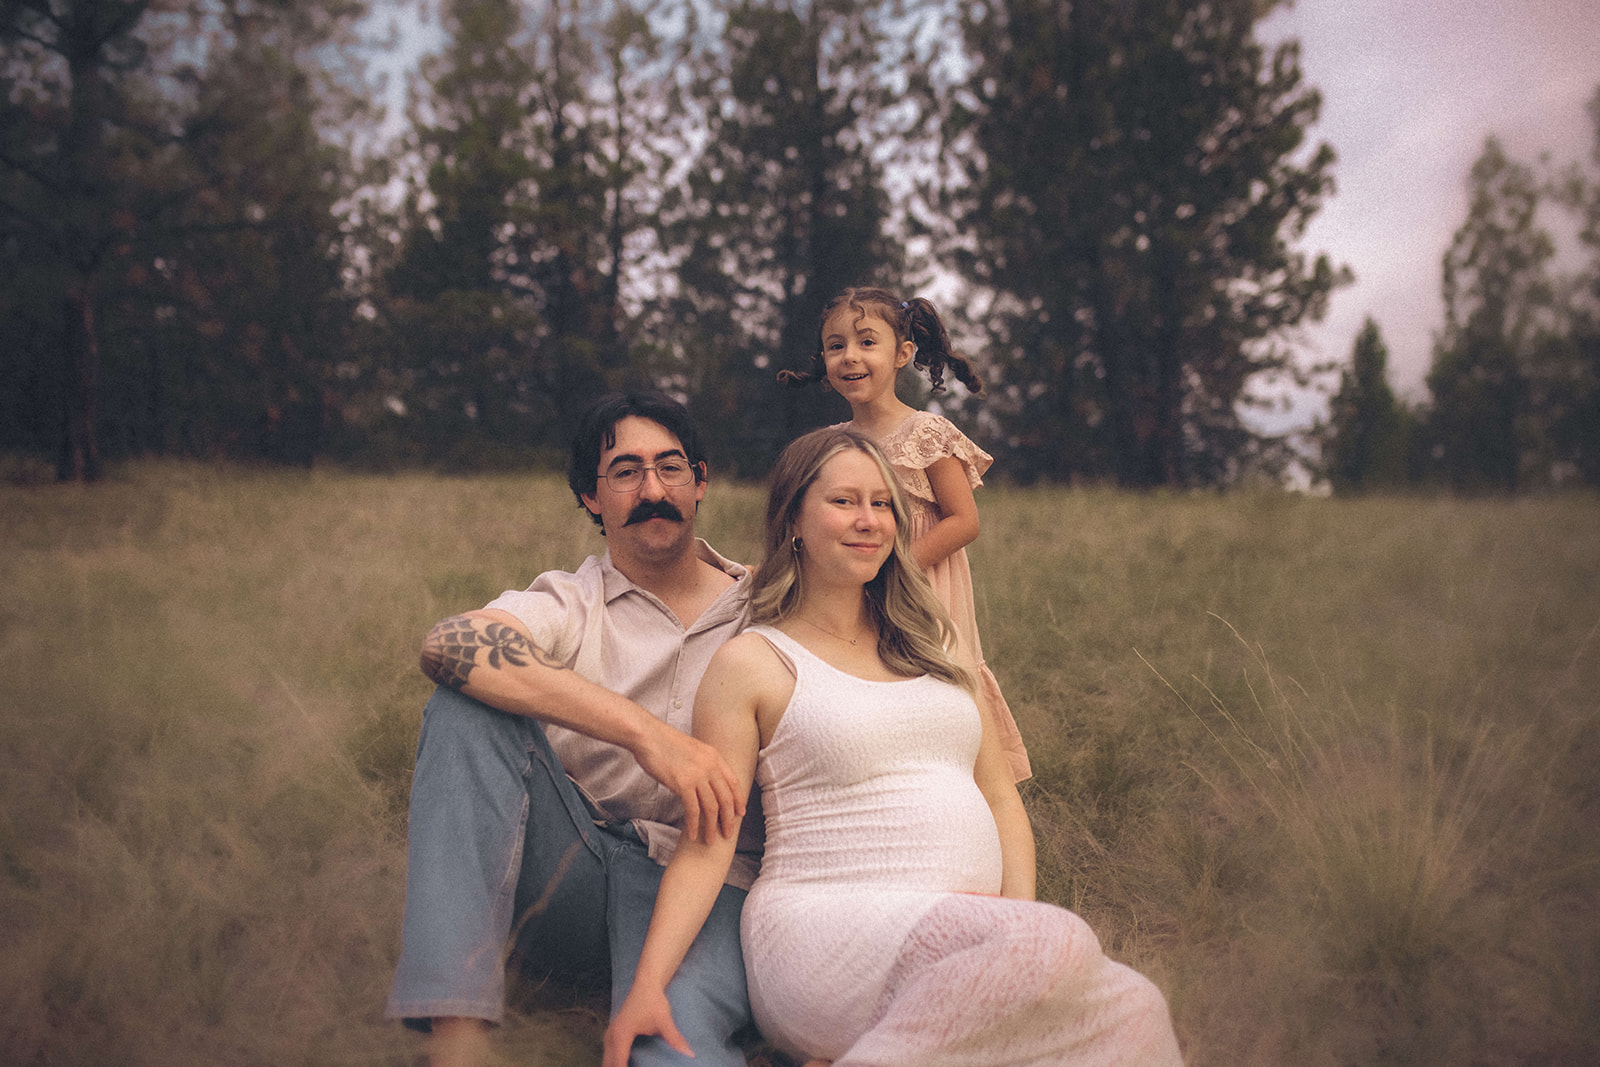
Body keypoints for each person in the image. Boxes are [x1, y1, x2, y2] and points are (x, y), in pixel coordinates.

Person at [603, 427, 1183, 1066]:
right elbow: (708, 841)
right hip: (822, 930)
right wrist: (648, 985)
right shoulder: (753, 662)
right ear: (794, 518)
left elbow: (997, 795)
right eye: (845, 502)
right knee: (1061, 940)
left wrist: (1014, 935)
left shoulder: (939, 643)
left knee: (1137, 1010)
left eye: (883, 504)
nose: (869, 521)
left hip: (961, 940)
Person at [385, 391, 762, 1067]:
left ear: (700, 481)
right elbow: (450, 643)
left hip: (707, 878)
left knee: (673, 1054)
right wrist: (648, 734)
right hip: (572, 870)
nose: (652, 488)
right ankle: (458, 1038)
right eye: (625, 471)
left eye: (670, 467)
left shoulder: (767, 603)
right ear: (591, 496)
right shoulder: (571, 598)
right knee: (464, 704)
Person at [779, 286, 1031, 783]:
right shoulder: (834, 444)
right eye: (835, 346)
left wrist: (895, 567)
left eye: (866, 342)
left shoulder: (926, 433)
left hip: (921, 592)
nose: (850, 356)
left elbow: (964, 521)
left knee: (936, 693)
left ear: (903, 354)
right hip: (856, 593)